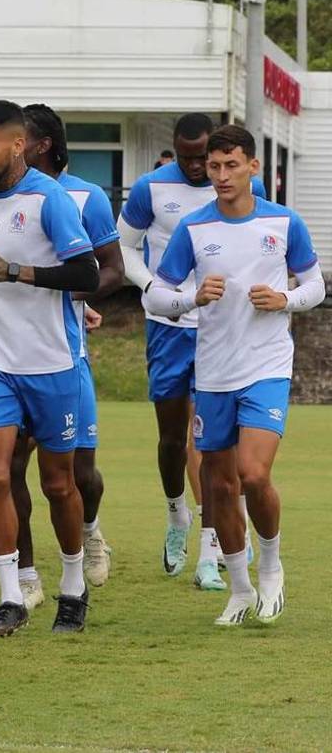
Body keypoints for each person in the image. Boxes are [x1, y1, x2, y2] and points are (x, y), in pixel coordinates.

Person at [144, 124, 323, 625]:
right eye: (214, 167)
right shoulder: (195, 229)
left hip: (266, 365)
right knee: (219, 487)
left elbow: (315, 287)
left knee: (254, 474)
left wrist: (285, 298)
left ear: (253, 168)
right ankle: (240, 590)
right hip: (214, 372)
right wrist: (190, 299)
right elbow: (156, 294)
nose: (220, 175)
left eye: (230, 166)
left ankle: (270, 567)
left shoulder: (284, 223)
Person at [0, 99, 99, 636]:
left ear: (18, 145)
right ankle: (11, 596)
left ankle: (72, 586)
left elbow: (87, 273)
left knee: (58, 485)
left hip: (52, 362)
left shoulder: (52, 198)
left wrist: (15, 271)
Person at [118, 114, 266, 589]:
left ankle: (210, 552)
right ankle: (175, 512)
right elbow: (123, 247)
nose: (201, 168)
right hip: (169, 325)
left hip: (221, 329)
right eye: (187, 158)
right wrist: (152, 287)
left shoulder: (240, 187)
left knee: (208, 442)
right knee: (171, 439)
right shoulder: (151, 189)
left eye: (204, 157)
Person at [11, 104, 124, 607]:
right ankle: (26, 576)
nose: (10, 148)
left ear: (43, 145)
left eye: (22, 140)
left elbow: (112, 270)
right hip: (9, 355)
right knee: (9, 467)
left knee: (79, 474)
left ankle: (92, 530)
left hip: (66, 353)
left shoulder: (87, 196)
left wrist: (79, 302)